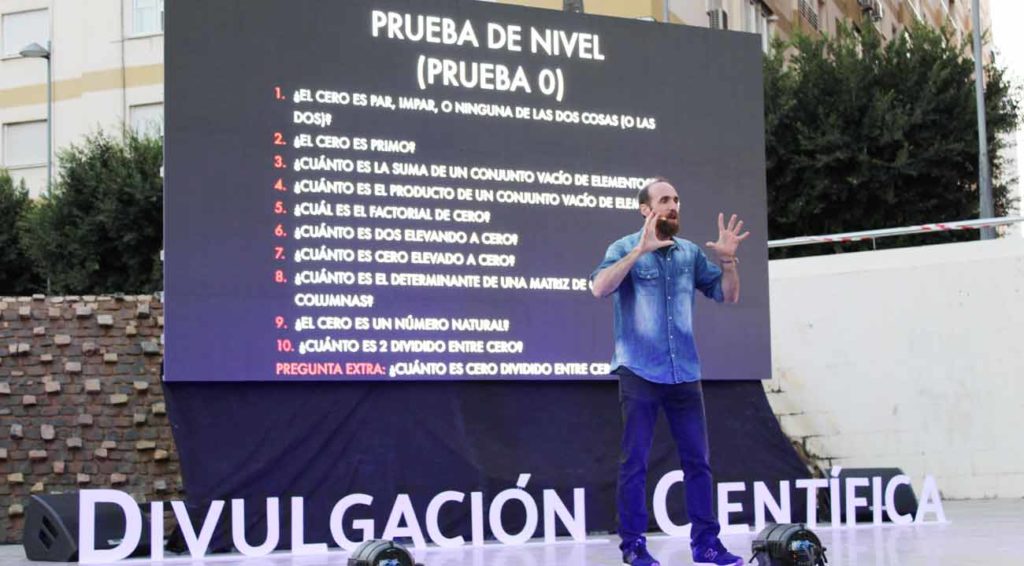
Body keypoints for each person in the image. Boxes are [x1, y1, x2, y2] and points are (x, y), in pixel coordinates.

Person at [590, 178, 749, 566]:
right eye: (664, 199)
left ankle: (706, 544)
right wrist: (638, 252)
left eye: (676, 199)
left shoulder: (689, 254)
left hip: (685, 374)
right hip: (640, 371)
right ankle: (633, 546)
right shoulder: (623, 247)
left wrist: (728, 262)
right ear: (646, 209)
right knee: (635, 463)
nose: (673, 205)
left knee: (698, 461)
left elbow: (727, 295)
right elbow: (599, 287)